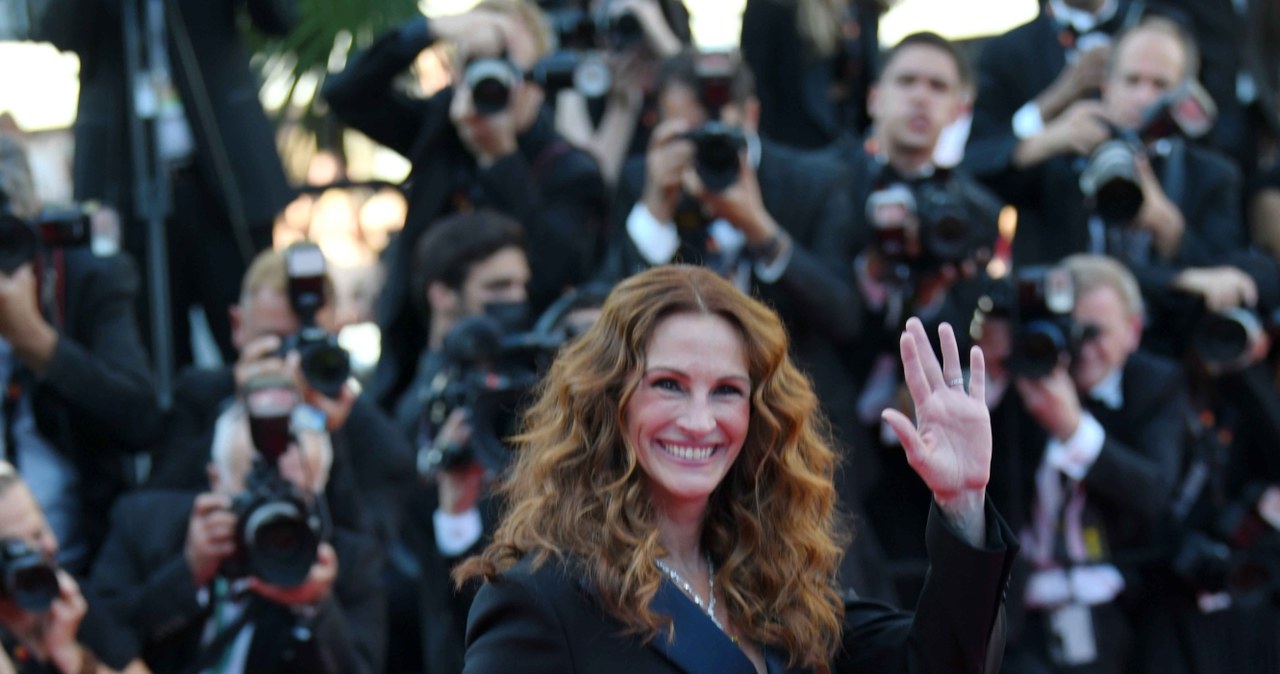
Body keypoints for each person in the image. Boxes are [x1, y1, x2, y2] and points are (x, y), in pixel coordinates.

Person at [456, 265, 1017, 674]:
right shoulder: (540, 600)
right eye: (668, 385)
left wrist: (963, 502)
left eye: (726, 391)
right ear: (611, 401)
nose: (699, 422)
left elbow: (945, 664)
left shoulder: (780, 589)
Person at [322, 0, 607, 411]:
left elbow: (554, 270)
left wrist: (501, 158)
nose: (492, 79)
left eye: (507, 63)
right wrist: (430, 31)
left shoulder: (570, 170)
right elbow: (344, 94)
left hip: (527, 378)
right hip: (417, 368)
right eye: (478, 63)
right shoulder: (440, 130)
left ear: (537, 77)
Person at [831, 31, 1002, 604]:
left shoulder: (980, 213)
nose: (921, 98)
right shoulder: (820, 182)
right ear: (875, 96)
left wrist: (932, 299)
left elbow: (983, 326)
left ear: (960, 109)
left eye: (938, 86)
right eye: (907, 82)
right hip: (829, 441)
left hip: (926, 465)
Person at [34, 0, 296, 371]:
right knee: (150, 359)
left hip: (222, 183)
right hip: (124, 189)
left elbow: (279, 18)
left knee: (258, 349)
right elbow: (60, 33)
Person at [975, 255, 1187, 674]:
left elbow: (1154, 492)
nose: (1083, 349)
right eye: (1071, 333)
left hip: (1123, 608)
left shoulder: (1157, 384)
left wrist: (1072, 430)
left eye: (1097, 334)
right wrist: (993, 371)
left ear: (1134, 330)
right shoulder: (1031, 369)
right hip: (1019, 611)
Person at [145, 245, 414, 553]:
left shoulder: (364, 429)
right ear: (237, 325)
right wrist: (237, 407)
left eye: (304, 347)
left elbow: (367, 556)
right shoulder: (200, 397)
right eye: (274, 346)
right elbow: (149, 516)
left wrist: (328, 431)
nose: (291, 368)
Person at [87, 395, 385, 673]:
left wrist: (316, 608)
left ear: (319, 490)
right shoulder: (147, 524)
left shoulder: (345, 561)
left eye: (293, 496)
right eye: (255, 490)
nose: (274, 514)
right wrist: (187, 574)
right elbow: (96, 631)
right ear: (215, 479)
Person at [0, 134, 162, 576]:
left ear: (32, 219)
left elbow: (141, 419)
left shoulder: (88, 278)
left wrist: (37, 342)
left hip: (75, 566)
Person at [383, 210, 530, 674]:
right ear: (442, 294)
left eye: (521, 286)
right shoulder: (409, 417)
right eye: (497, 288)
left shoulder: (525, 384)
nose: (516, 300)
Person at [0, 462, 147, 674]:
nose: (50, 545)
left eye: (41, 530)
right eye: (23, 548)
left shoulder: (68, 601)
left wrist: (72, 656)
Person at [741, 0, 892, 150]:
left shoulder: (863, 8)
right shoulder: (772, 6)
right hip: (796, 149)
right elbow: (757, 84)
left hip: (854, 145)